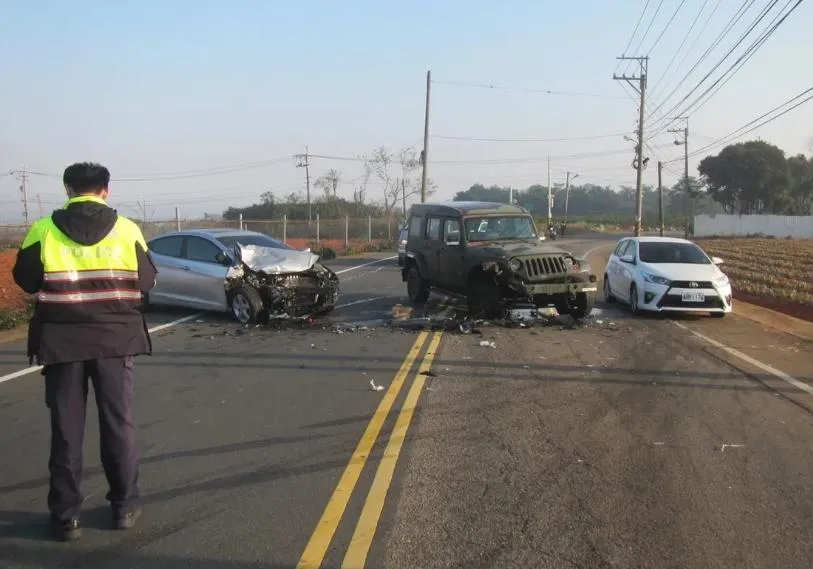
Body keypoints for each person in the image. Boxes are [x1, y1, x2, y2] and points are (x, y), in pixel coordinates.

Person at [12, 162, 157, 542]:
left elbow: (25, 280)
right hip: (116, 341)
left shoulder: (43, 229)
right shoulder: (127, 230)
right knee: (117, 424)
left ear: (68, 189)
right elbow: (147, 280)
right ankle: (124, 507)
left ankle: (64, 517)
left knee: (66, 429)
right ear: (105, 190)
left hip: (62, 343)